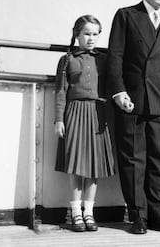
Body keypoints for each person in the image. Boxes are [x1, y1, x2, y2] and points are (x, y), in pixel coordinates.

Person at [106, 0, 160, 234]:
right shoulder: (126, 16)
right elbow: (114, 56)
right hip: (132, 99)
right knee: (134, 159)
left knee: (158, 159)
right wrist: (118, 91)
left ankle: (158, 214)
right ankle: (138, 215)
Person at [54, 15, 115, 232]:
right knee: (76, 166)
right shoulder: (67, 60)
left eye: (95, 34)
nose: (91, 38)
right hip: (75, 113)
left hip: (98, 114)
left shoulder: (104, 59)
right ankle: (75, 214)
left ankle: (89, 213)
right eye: (86, 33)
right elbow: (61, 91)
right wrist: (59, 119)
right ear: (77, 34)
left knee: (93, 167)